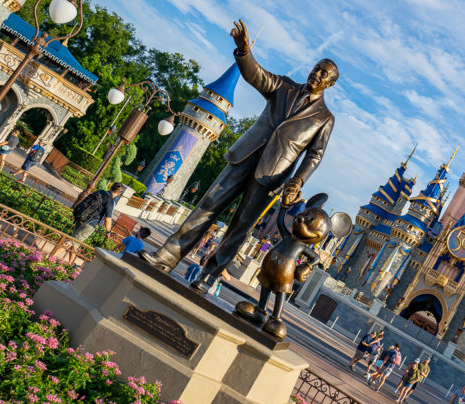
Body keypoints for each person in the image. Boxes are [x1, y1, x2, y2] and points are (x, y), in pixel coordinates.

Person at [139, 19, 339, 295]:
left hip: (272, 175)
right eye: (317, 68)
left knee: (240, 227)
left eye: (323, 73)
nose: (317, 74)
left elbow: (314, 155)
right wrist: (245, 51)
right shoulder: (284, 86)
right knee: (206, 207)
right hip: (245, 155)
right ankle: (166, 258)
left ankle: (207, 278)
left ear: (329, 83)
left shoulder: (324, 118)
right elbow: (256, 75)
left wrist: (298, 181)